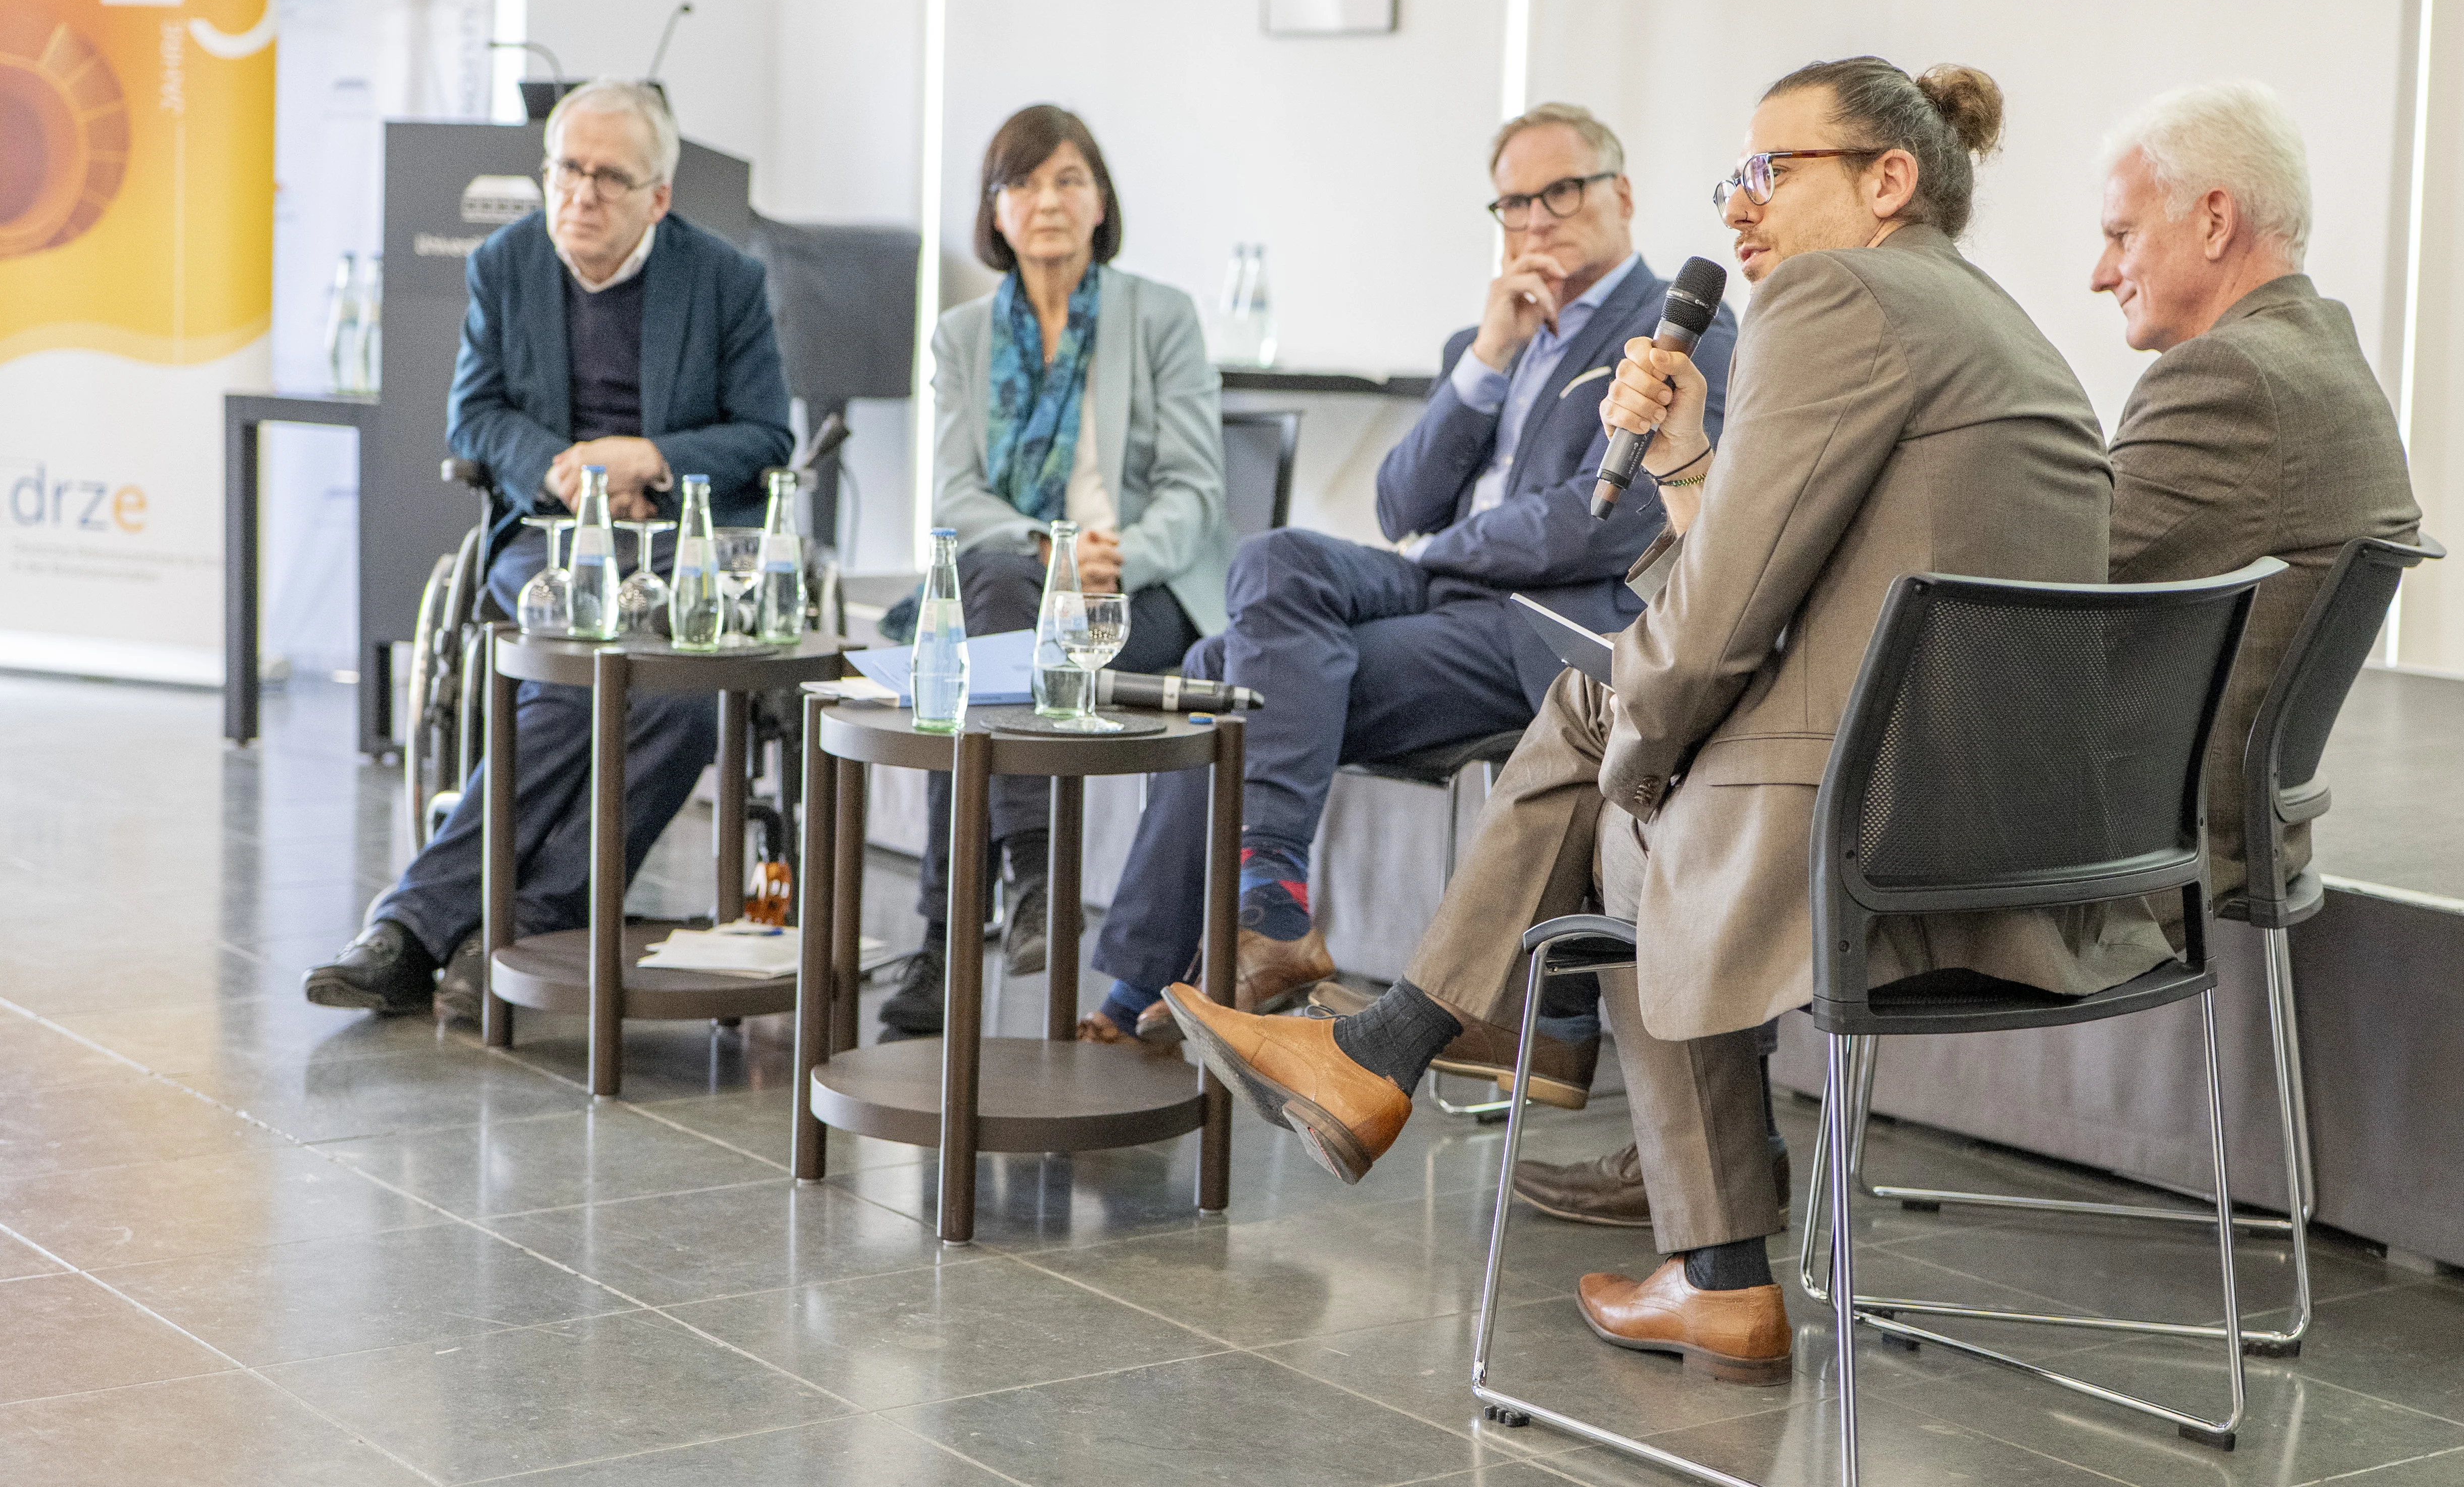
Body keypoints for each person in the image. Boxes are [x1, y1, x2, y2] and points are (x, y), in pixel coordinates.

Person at [1169, 56, 2169, 1387]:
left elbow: (1717, 626)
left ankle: (1442, 1082)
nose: (1740, 206)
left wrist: (1640, 752)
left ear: (1888, 179)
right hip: (2010, 832)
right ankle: (1636, 1220)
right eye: (1732, 178)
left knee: (1617, 768)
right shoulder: (1977, 313)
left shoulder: (1832, 295)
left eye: (1771, 171)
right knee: (1612, 736)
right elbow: (1772, 572)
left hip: (1880, 831)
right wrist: (1690, 459)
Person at [1510, 79, 2427, 1236]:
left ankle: (1703, 1212)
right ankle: (1632, 1160)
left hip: (2098, 847)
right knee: (1684, 745)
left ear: (2213, 219)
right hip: (2198, 814)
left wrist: (1748, 524)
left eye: (2119, 234)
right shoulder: (2322, 362)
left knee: (1662, 794)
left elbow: (2033, 597)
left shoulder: (2225, 380)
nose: (2098, 271)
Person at [1075, 104, 1739, 1071]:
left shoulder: (1673, 332)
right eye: (1515, 203)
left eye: (1561, 192)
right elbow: (1399, 504)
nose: (1536, 220)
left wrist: (1444, 556)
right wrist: (1489, 357)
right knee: (1272, 562)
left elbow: (1608, 518)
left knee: (1225, 670)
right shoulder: (1489, 339)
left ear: (1622, 194)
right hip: (1447, 595)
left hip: (1538, 629)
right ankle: (1264, 908)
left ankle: (1180, 957)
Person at [305, 79, 793, 1018]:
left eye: (610, 177)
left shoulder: (724, 280)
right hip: (554, 536)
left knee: (683, 707)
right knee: (568, 677)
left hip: (680, 544)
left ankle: (509, 920)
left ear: (658, 197)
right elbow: (476, 416)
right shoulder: (507, 263)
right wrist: (567, 471)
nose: (582, 194)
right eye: (568, 170)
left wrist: (649, 457)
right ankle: (429, 925)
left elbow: (767, 433)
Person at [875, 105, 1227, 1040]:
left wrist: (1118, 558)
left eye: (1070, 179)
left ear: (1101, 202)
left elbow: (1196, 490)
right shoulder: (962, 336)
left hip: (1137, 594)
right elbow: (955, 493)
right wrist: (1051, 551)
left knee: (968, 659)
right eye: (1023, 183)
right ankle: (1033, 872)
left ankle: (948, 939)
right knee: (991, 603)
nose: (1048, 201)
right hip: (1024, 578)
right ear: (994, 212)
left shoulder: (1161, 316)